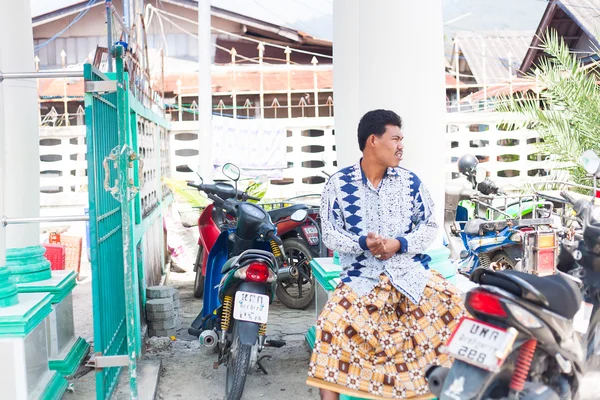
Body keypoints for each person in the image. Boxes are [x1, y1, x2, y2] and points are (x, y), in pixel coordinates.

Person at [306, 109, 466, 399]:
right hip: (361, 279)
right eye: (395, 139)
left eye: (402, 139)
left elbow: (429, 226)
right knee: (329, 325)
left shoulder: (410, 183)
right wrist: (362, 243)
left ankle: (452, 391)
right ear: (373, 141)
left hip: (411, 277)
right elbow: (329, 233)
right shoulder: (339, 185)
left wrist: (399, 244)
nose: (401, 146)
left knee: (455, 308)